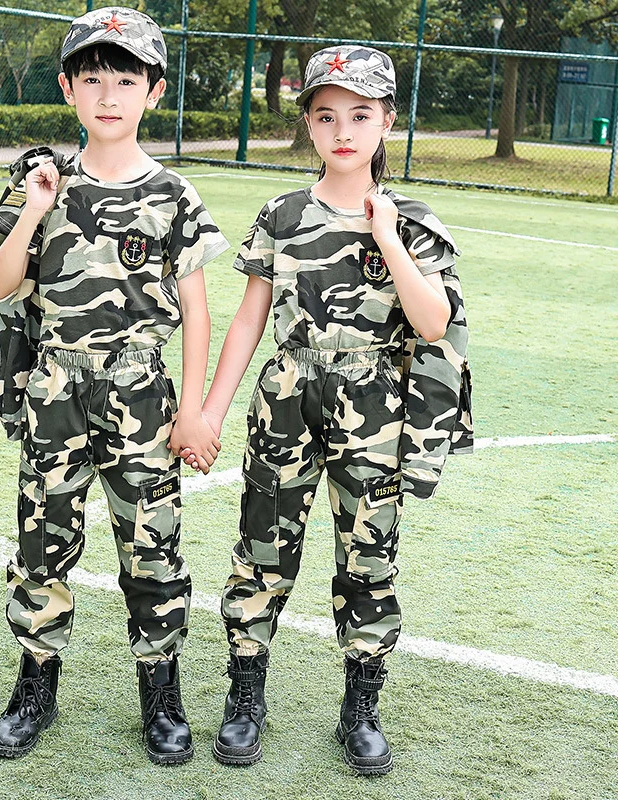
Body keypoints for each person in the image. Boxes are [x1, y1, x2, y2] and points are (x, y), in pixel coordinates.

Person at [183, 46, 473, 774]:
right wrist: (212, 412)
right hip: (286, 395)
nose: (343, 130)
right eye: (326, 116)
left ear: (387, 123)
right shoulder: (281, 214)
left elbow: (434, 322)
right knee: (262, 551)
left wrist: (385, 236)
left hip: (375, 403)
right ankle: (246, 696)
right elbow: (250, 319)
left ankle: (360, 707)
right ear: (309, 126)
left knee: (368, 557)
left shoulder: (413, 219)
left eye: (361, 115)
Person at [0, 6, 229, 764]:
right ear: (68, 89)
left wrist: (193, 411)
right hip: (55, 387)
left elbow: (195, 309)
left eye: (126, 79)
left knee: (151, 546)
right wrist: (36, 207)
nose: (109, 94)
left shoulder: (172, 196)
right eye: (92, 79)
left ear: (153, 92)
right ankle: (35, 684)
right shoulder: (41, 180)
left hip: (139, 393)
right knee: (43, 541)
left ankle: (162, 693)